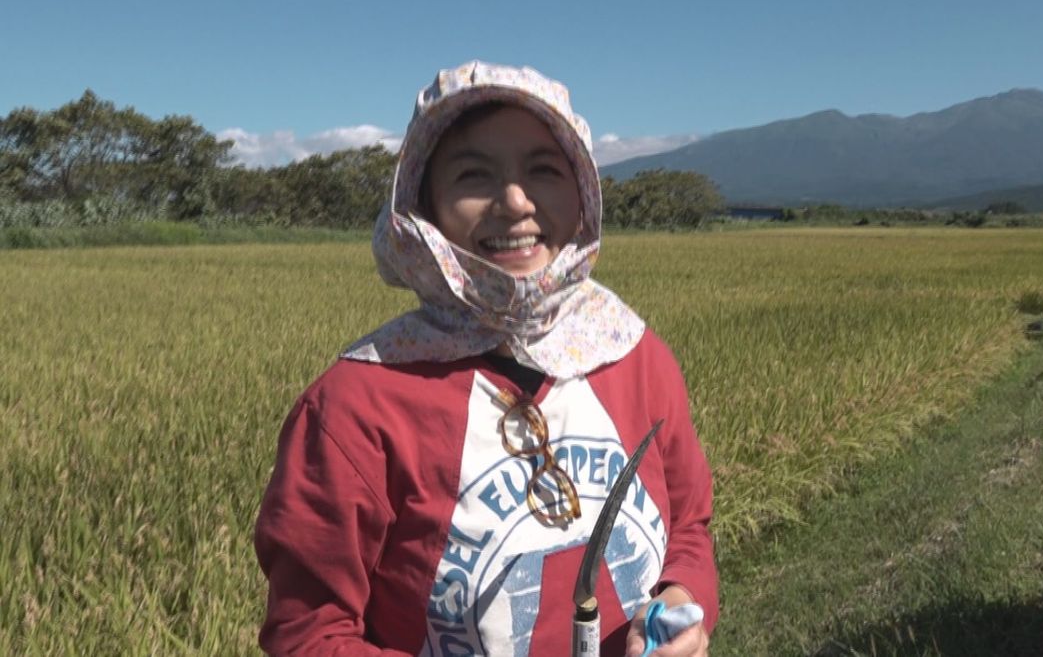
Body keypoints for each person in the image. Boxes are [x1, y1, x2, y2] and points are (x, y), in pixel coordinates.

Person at [254, 61, 718, 656]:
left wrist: (682, 602)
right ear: (423, 206)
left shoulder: (633, 353)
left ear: (581, 193)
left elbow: (688, 528)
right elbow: (309, 633)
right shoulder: (354, 409)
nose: (515, 201)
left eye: (545, 170)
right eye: (475, 176)